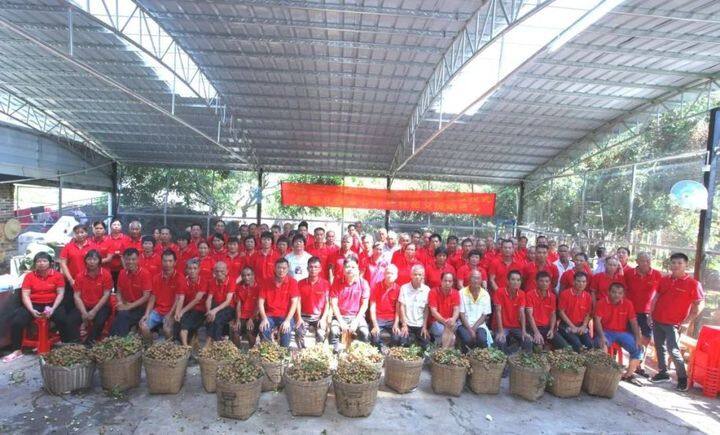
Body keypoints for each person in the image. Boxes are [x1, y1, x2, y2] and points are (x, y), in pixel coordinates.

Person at [4, 253, 75, 363]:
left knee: (63, 319)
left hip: (53, 303)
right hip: (33, 304)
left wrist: (53, 308)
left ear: (50, 263)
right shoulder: (29, 276)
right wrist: (32, 310)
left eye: (44, 261)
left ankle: (66, 345)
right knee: (17, 321)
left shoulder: (58, 276)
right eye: (38, 261)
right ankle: (17, 350)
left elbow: (60, 294)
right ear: (35, 264)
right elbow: (25, 295)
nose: (41, 263)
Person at [650, 252, 705, 391]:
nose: (676, 265)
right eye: (673, 263)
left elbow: (700, 304)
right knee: (659, 346)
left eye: (679, 263)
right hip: (657, 319)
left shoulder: (693, 284)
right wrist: (651, 314)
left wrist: (687, 322)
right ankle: (663, 373)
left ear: (686, 265)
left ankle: (682, 379)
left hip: (674, 324)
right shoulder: (664, 279)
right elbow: (656, 297)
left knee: (673, 350)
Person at [594, 282, 644, 386]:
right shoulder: (601, 303)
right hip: (606, 331)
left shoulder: (628, 304)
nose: (616, 295)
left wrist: (637, 337)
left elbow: (633, 322)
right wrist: (602, 336)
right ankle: (603, 374)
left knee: (638, 348)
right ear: (608, 292)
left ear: (623, 294)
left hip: (621, 333)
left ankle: (628, 375)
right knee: (602, 345)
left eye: (620, 293)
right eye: (614, 292)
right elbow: (597, 321)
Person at [624, 251, 662, 376]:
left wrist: (654, 312)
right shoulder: (629, 273)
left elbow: (660, 294)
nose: (647, 263)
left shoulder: (657, 275)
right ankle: (632, 362)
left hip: (647, 313)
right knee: (632, 338)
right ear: (637, 262)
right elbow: (623, 290)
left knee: (646, 338)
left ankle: (641, 364)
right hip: (631, 312)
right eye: (643, 260)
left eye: (648, 260)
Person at [69, 250, 113, 344]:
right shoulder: (80, 276)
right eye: (89, 259)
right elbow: (76, 296)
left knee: (99, 321)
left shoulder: (106, 275)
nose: (91, 262)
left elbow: (106, 295)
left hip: (101, 306)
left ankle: (89, 343)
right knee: (70, 320)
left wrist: (94, 311)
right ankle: (75, 343)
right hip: (84, 305)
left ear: (99, 261)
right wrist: (84, 312)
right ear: (85, 261)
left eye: (94, 259)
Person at [140, 250, 185, 341]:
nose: (167, 264)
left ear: (175, 262)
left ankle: (170, 348)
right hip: (158, 311)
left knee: (167, 329)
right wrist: (146, 314)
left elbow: (179, 299)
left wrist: (170, 315)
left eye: (170, 261)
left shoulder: (180, 278)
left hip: (171, 311)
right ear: (161, 262)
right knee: (143, 325)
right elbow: (152, 298)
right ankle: (149, 346)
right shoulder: (156, 278)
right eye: (165, 261)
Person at [329, 258, 371, 351]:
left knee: (364, 332)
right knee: (334, 331)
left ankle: (360, 356)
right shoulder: (337, 282)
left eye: (353, 267)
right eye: (347, 267)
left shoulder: (363, 283)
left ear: (357, 269)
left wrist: (356, 321)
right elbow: (334, 304)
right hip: (340, 316)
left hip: (357, 317)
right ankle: (334, 355)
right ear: (343, 269)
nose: (350, 269)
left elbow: (364, 305)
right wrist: (341, 321)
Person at [258, 258, 300, 347]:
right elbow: (260, 302)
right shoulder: (266, 282)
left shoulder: (292, 282)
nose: (281, 270)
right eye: (279, 268)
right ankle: (268, 352)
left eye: (284, 268)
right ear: (274, 268)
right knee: (264, 328)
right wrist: (264, 318)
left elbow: (294, 303)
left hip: (285, 316)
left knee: (286, 330)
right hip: (270, 315)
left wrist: (287, 320)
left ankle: (284, 352)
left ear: (288, 269)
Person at [110, 248, 151, 337]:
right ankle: (116, 338)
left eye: (133, 259)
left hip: (140, 308)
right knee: (118, 313)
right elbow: (118, 292)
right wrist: (120, 302)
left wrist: (129, 306)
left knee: (122, 315)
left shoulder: (145, 273)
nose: (130, 262)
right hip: (126, 305)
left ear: (138, 259)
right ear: (124, 260)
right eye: (128, 259)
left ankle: (116, 339)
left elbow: (146, 296)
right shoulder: (122, 273)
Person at [525, 271, 569, 349]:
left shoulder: (552, 296)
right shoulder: (529, 295)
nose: (544, 283)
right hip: (533, 328)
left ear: (549, 283)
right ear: (536, 282)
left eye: (547, 281)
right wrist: (536, 332)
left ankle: (547, 344)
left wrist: (551, 330)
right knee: (539, 348)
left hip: (547, 328)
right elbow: (529, 316)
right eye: (541, 281)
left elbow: (553, 314)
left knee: (565, 347)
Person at [295, 257, 331, 348]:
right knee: (299, 333)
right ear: (307, 268)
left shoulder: (325, 284)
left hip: (319, 317)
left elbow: (328, 303)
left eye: (316, 267)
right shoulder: (300, 283)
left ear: (320, 269)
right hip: (304, 316)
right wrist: (299, 318)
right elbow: (297, 302)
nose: (313, 269)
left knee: (321, 334)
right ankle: (302, 352)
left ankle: (317, 352)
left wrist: (323, 319)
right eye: (311, 267)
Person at [494, 270, 532, 354]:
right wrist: (500, 331)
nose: (516, 282)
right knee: (500, 341)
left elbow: (522, 313)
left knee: (528, 340)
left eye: (518, 280)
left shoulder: (522, 294)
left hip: (516, 326)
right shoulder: (499, 292)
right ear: (507, 281)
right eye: (513, 279)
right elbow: (498, 312)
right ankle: (506, 360)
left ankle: (522, 359)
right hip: (502, 326)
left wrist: (524, 331)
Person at [59, 224, 95, 310]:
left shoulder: (93, 246)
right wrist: (71, 280)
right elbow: (63, 263)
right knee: (70, 305)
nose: (80, 235)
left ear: (86, 233)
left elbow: (96, 264)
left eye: (82, 232)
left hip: (88, 280)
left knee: (86, 304)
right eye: (77, 233)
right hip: (71, 281)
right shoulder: (68, 247)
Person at [457, 269, 493, 352]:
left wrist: (473, 329)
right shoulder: (461, 293)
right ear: (469, 279)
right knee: (467, 339)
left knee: (482, 340)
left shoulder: (485, 294)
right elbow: (461, 314)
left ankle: (481, 357)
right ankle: (465, 357)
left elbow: (484, 315)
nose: (476, 280)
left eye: (478, 278)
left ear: (481, 280)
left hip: (479, 325)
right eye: (473, 278)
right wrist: (470, 330)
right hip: (464, 324)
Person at [558, 272, 594, 352]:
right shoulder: (565, 294)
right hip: (566, 325)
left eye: (584, 282)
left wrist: (584, 326)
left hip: (581, 325)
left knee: (589, 344)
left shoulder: (587, 296)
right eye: (579, 281)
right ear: (573, 282)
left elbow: (588, 314)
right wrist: (572, 326)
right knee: (577, 344)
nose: (581, 284)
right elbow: (561, 312)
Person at [174, 258, 207, 346]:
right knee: (178, 320)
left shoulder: (203, 281)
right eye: (190, 268)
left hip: (200, 309)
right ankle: (181, 343)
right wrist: (177, 313)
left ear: (199, 269)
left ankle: (185, 347)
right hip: (188, 309)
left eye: (195, 268)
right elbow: (181, 298)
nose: (192, 271)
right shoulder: (183, 281)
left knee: (184, 327)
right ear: (186, 270)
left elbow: (197, 300)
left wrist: (182, 311)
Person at [396, 265, 431, 348]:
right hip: (407, 323)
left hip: (420, 324)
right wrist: (404, 325)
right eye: (415, 274)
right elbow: (402, 307)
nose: (417, 277)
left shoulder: (427, 290)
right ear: (411, 275)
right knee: (403, 344)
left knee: (426, 346)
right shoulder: (404, 288)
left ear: (423, 276)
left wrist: (424, 326)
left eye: (420, 274)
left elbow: (426, 309)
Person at [369, 264, 401, 350]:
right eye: (387, 273)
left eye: (392, 273)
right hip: (378, 320)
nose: (389, 275)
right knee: (375, 339)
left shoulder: (398, 289)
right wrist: (375, 325)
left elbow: (398, 309)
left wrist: (396, 324)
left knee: (397, 338)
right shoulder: (376, 286)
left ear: (396, 276)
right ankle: (381, 351)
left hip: (392, 320)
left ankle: (390, 352)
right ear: (384, 274)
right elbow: (372, 307)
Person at [204, 262, 236, 344]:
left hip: (229, 308)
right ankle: (214, 344)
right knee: (210, 319)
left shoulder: (231, 281)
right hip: (216, 306)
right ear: (214, 272)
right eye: (217, 271)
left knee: (217, 320)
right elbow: (209, 299)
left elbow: (228, 301)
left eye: (222, 271)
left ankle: (215, 344)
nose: (219, 273)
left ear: (227, 271)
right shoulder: (212, 281)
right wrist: (209, 311)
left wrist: (214, 311)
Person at [428, 272, 460, 346]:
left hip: (451, 321)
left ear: (453, 282)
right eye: (445, 280)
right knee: (452, 338)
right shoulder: (433, 292)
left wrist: (453, 319)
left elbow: (456, 309)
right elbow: (433, 312)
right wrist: (445, 322)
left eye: (450, 281)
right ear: (441, 281)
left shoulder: (455, 293)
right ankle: (445, 350)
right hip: (437, 321)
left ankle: (442, 350)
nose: (447, 283)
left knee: (453, 333)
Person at [233, 266, 260, 347]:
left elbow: (258, 306)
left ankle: (252, 351)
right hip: (242, 316)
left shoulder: (259, 288)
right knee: (235, 331)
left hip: (254, 316)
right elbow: (238, 305)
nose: (246, 277)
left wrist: (251, 319)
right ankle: (237, 352)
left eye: (248, 275)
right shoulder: (239, 288)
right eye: (244, 275)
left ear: (253, 275)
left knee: (249, 333)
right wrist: (238, 320)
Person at [102, 218, 128, 288]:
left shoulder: (126, 238)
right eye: (114, 224)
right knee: (107, 288)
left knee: (120, 288)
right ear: (110, 226)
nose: (116, 226)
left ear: (121, 227)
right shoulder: (105, 238)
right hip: (108, 269)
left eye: (118, 225)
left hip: (122, 269)